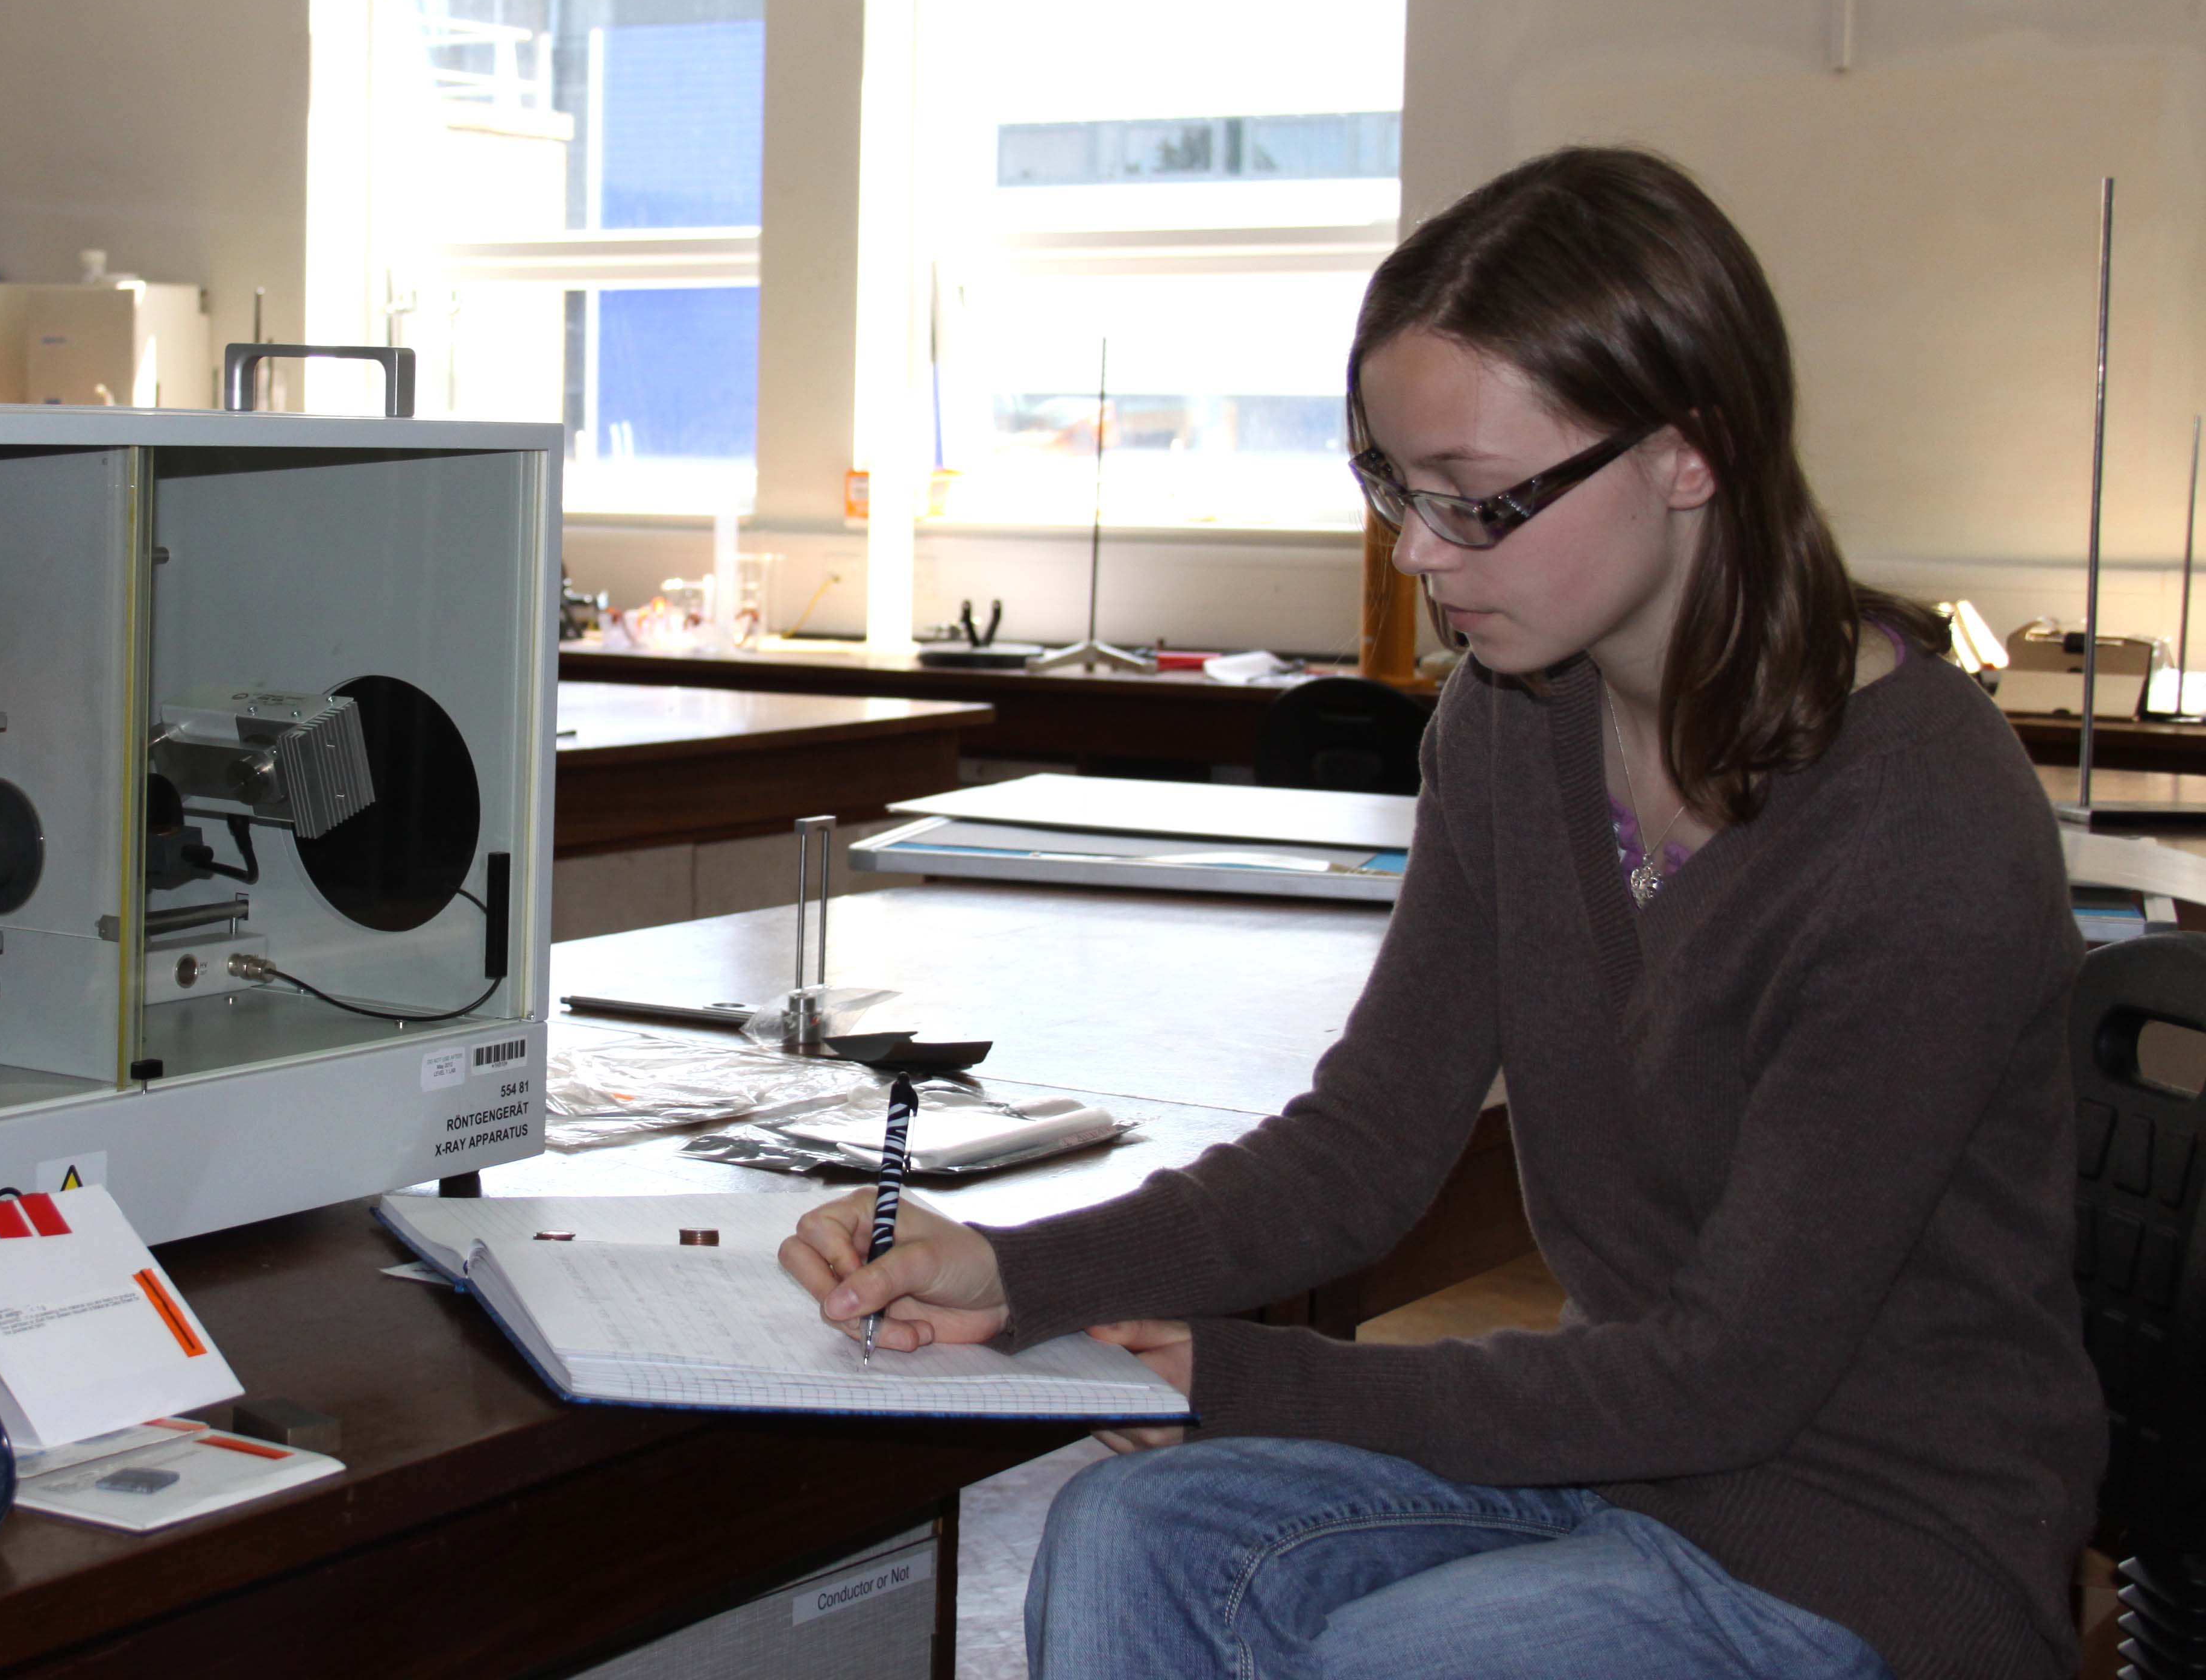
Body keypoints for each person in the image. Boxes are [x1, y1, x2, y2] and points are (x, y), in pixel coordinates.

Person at [780, 146, 2103, 1680]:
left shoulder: (1919, 819)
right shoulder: (1509, 723)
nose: (1418, 554)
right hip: (1626, 1470)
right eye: (1395, 490)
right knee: (1130, 1534)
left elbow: (1728, 1377)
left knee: (1402, 1656)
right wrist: (1026, 1270)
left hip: (1873, 1540)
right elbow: (1362, 1150)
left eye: (1475, 502)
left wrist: (1246, 1374)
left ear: (1692, 452)